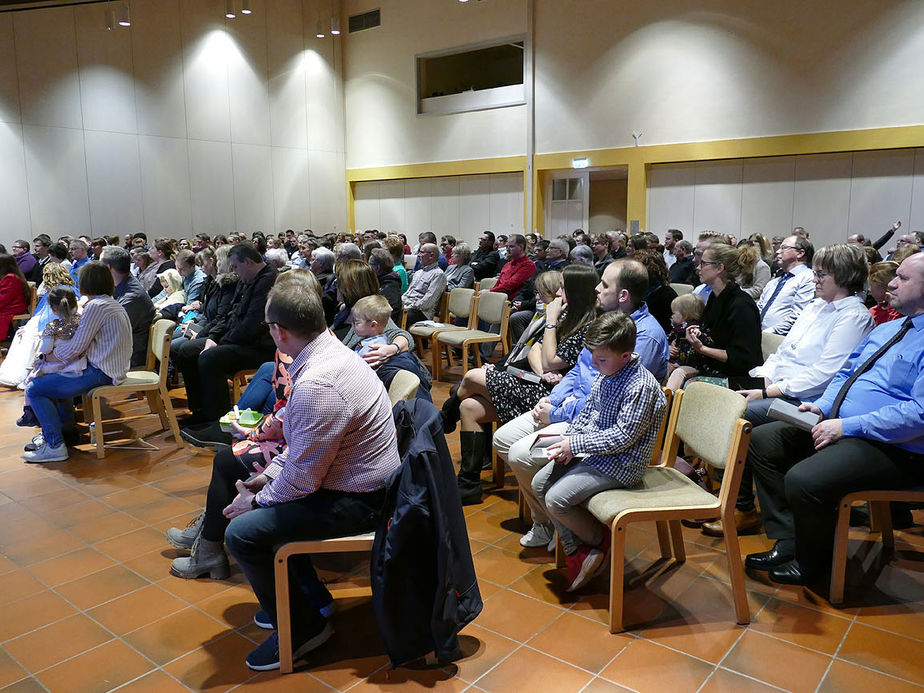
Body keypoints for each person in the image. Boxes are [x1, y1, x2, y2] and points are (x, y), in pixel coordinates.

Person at [220, 274, 402, 671]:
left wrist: (256, 499)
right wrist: (265, 479)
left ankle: (303, 626)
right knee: (261, 502)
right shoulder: (331, 354)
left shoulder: (319, 382)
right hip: (354, 483)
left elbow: (303, 478)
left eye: (268, 327)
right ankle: (307, 599)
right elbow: (304, 450)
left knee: (243, 533)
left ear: (279, 331)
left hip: (361, 500)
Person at [743, 252, 924, 590]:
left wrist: (846, 426)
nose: (891, 283)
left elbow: (919, 414)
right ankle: (788, 540)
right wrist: (824, 407)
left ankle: (814, 564)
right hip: (841, 424)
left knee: (805, 478)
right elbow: (845, 372)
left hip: (895, 446)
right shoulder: (893, 328)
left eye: (903, 278)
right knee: (763, 441)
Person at [700, 244, 876, 538]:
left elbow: (824, 375)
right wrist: (760, 380)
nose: (815, 279)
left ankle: (742, 508)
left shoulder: (854, 317)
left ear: (844, 276)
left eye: (822, 273)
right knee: (713, 395)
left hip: (808, 401)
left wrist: (770, 391)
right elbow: (784, 355)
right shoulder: (816, 307)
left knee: (737, 415)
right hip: (777, 385)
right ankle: (719, 492)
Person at [492, 258, 669, 548]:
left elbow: (615, 413)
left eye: (604, 284)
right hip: (576, 413)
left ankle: (563, 529)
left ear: (623, 295)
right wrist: (554, 399)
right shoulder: (605, 324)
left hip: (605, 437)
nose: (597, 289)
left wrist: (563, 420)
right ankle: (554, 523)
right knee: (503, 440)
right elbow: (578, 371)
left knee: (522, 457)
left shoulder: (641, 340)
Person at [532, 311, 668, 591]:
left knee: (557, 499)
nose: (594, 363)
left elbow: (623, 437)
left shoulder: (640, 386)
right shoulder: (609, 372)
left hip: (623, 464)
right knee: (539, 483)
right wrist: (569, 440)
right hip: (596, 451)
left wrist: (576, 445)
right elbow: (588, 414)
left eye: (601, 359)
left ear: (626, 356)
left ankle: (598, 541)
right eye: (593, 356)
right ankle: (578, 551)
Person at [447, 265, 599, 504]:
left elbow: (551, 360)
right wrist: (543, 370)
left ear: (576, 291)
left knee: (472, 377)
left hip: (553, 396)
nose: (558, 294)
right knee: (468, 407)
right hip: (540, 383)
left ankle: (444, 416)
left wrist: (550, 321)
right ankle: (469, 484)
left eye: (563, 288)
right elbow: (535, 350)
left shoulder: (588, 324)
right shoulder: (568, 315)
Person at [23, 262, 132, 463]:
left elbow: (75, 347)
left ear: (85, 283)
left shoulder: (96, 307)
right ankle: (65, 432)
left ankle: (54, 444)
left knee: (34, 389)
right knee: (51, 379)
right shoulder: (109, 302)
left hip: (103, 372)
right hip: (110, 367)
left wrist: (47, 355)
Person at [174, 243, 278, 435]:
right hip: (239, 338)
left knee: (211, 357)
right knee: (186, 350)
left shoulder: (268, 280)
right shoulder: (246, 278)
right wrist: (211, 336)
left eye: (235, 266)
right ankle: (198, 409)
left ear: (247, 262)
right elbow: (229, 314)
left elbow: (251, 326)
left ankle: (216, 418)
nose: (233, 271)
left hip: (259, 346)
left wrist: (220, 342)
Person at [684, 242, 763, 389]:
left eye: (704, 263)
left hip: (738, 377)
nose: (698, 268)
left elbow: (743, 359)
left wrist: (702, 349)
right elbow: (712, 335)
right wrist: (698, 333)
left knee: (690, 385)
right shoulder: (716, 296)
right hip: (714, 367)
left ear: (720, 268)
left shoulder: (741, 305)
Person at [0, 264, 75, 389]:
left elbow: (56, 315)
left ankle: (24, 374)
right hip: (43, 323)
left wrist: (35, 329)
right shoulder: (53, 291)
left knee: (29, 337)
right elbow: (41, 314)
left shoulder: (64, 292)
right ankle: (12, 373)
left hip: (54, 324)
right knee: (21, 335)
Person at [101, 246, 156, 368]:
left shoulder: (131, 297)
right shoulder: (122, 285)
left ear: (108, 268)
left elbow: (111, 333)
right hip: (119, 352)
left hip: (126, 359)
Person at [756, 233, 815, 335]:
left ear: (800, 253)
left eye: (784, 248)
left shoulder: (808, 278)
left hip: (780, 339)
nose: (778, 251)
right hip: (759, 336)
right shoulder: (774, 282)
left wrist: (765, 334)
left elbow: (797, 317)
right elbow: (759, 308)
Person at [665, 293, 709, 392]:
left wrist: (699, 335)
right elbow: (665, 342)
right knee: (663, 365)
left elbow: (701, 351)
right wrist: (668, 348)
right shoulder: (676, 330)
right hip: (675, 362)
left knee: (679, 372)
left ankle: (668, 397)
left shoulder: (698, 330)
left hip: (693, 366)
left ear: (684, 315)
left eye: (674, 313)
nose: (671, 316)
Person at [402, 243, 447, 326]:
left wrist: (409, 306)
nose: (419, 255)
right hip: (408, 307)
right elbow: (408, 292)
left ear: (431, 256)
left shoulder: (438, 274)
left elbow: (428, 301)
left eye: (422, 252)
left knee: (399, 317)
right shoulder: (418, 273)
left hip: (422, 312)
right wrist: (401, 303)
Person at [0, 254, 31, 342]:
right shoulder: (8, 276)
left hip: (13, 307)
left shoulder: (11, 278)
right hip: (9, 305)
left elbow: (3, 299)